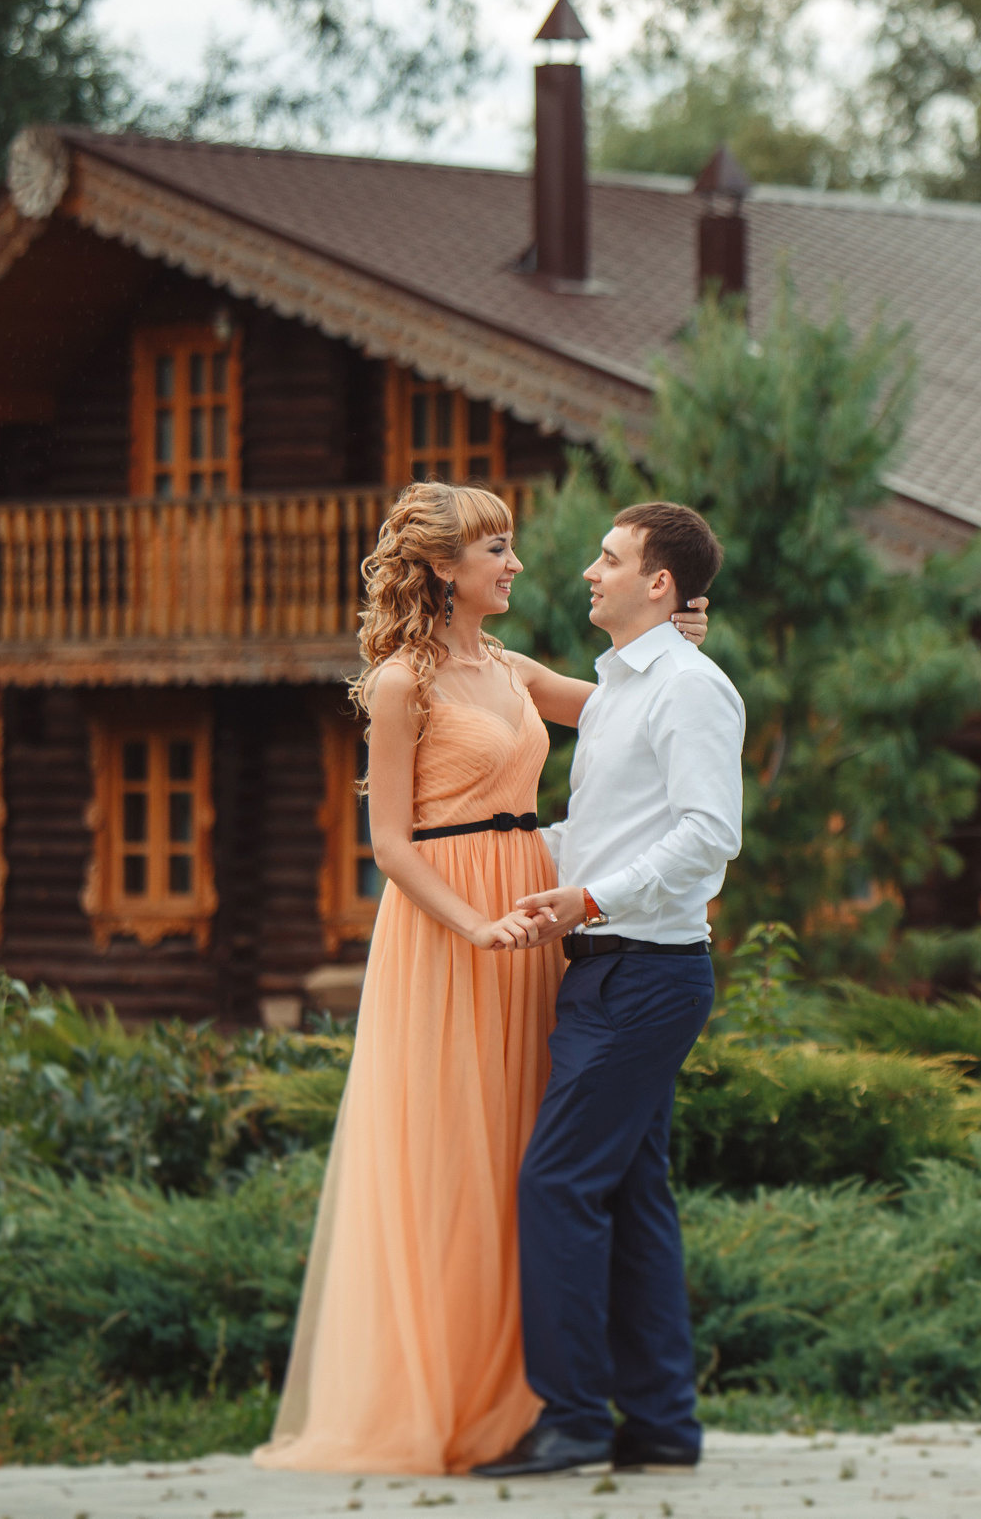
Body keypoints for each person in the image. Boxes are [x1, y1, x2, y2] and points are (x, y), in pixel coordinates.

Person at [254, 482, 708, 1476]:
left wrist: (679, 632)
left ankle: (545, 1392)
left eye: (509, 544)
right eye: (493, 547)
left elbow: (631, 713)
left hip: (536, 907)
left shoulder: (510, 669)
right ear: (442, 569)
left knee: (529, 1154)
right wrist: (474, 923)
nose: (514, 562)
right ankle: (457, 1389)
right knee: (457, 1146)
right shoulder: (397, 683)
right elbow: (387, 845)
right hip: (454, 918)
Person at [473, 501, 744, 1479]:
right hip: (605, 965)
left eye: (610, 556)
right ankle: (663, 1421)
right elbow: (601, 828)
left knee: (556, 1183)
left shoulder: (689, 689)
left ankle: (575, 1415)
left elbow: (710, 831)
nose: (589, 569)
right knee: (632, 1193)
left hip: (644, 970)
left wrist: (592, 895)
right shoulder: (623, 689)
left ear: (659, 583)